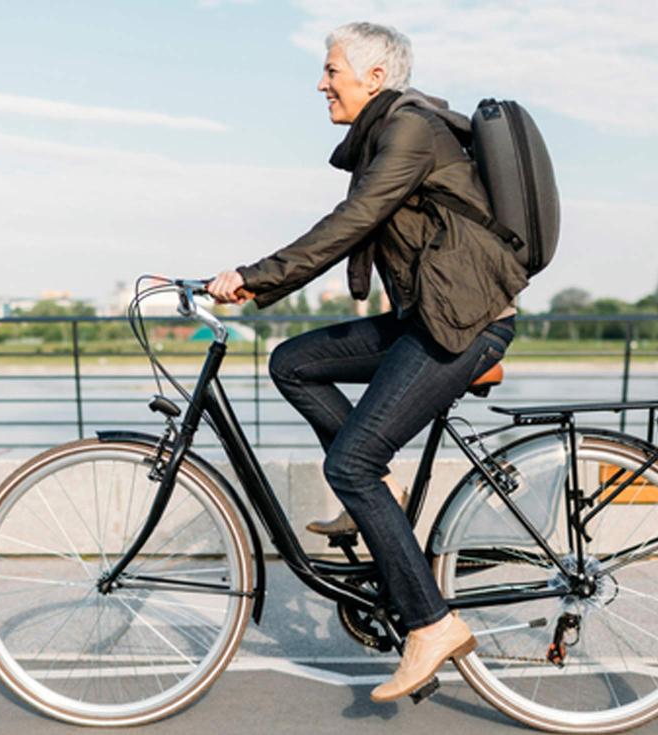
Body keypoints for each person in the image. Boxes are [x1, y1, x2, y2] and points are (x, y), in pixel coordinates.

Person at [207, 21, 529, 703]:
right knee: (294, 362)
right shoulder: (387, 133)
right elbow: (355, 219)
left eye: (331, 70)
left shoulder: (409, 130)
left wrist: (255, 277)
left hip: (463, 326)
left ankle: (431, 623)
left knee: (347, 463)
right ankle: (377, 501)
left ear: (374, 78)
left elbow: (352, 222)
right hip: (430, 317)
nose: (321, 82)